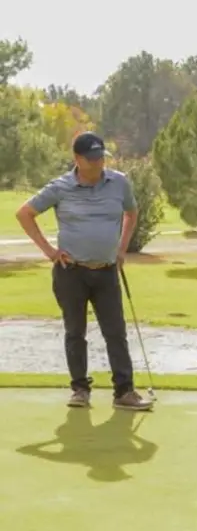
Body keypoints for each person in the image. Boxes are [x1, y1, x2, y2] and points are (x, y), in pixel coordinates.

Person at [15, 132, 153, 412]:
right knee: (75, 332)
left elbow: (131, 213)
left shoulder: (119, 183)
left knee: (115, 332)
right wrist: (50, 252)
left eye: (101, 156)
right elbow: (24, 213)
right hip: (71, 272)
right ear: (77, 159)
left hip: (106, 271)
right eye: (92, 158)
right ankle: (80, 389)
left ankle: (124, 391)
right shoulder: (60, 187)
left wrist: (122, 248)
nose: (99, 162)